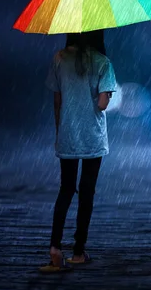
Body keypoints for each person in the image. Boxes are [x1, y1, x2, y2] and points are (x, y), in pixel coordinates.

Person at [40, 30, 117, 272]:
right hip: (92, 137)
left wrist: (59, 132)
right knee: (87, 192)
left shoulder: (59, 58)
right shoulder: (103, 62)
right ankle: (78, 251)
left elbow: (57, 101)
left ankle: (54, 249)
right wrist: (106, 93)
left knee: (66, 189)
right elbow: (103, 104)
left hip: (68, 135)